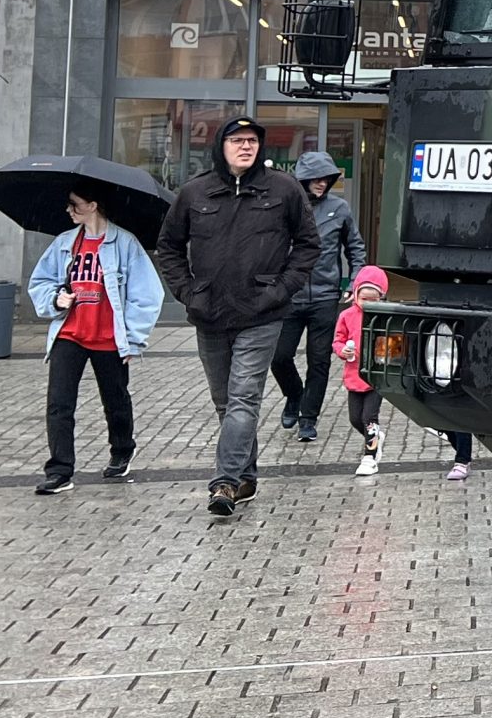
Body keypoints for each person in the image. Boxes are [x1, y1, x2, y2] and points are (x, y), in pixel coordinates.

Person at [153, 116, 320, 516]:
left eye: (252, 140)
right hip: (209, 313)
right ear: (221, 146)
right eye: (237, 140)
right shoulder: (194, 192)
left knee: (244, 396)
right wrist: (189, 293)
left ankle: (224, 482)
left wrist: (279, 290)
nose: (246, 146)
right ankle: (246, 476)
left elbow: (308, 245)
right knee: (225, 401)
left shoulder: (284, 189)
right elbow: (169, 247)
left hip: (262, 313)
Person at [28, 190, 168, 494]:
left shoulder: (125, 243)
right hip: (69, 334)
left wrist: (133, 338)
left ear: (93, 205)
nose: (69, 210)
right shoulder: (64, 243)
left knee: (115, 401)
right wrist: (55, 299)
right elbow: (40, 281)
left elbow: (146, 294)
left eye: (75, 205)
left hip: (109, 338)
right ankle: (59, 471)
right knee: (59, 404)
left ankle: (122, 450)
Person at [275, 152, 367, 442]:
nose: (322, 183)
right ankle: (294, 395)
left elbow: (356, 248)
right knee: (279, 356)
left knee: (319, 361)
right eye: (316, 178)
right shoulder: (286, 207)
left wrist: (355, 282)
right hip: (290, 296)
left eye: (327, 178)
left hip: (325, 297)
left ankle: (308, 417)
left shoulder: (339, 208)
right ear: (303, 179)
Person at [331, 265, 392, 475]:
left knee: (369, 418)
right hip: (354, 375)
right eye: (364, 298)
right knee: (355, 418)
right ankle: (374, 438)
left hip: (376, 377)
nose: (367, 304)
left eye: (373, 300)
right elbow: (338, 340)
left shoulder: (384, 317)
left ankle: (370, 457)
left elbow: (394, 342)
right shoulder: (346, 316)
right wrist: (343, 351)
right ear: (356, 294)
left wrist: (386, 353)